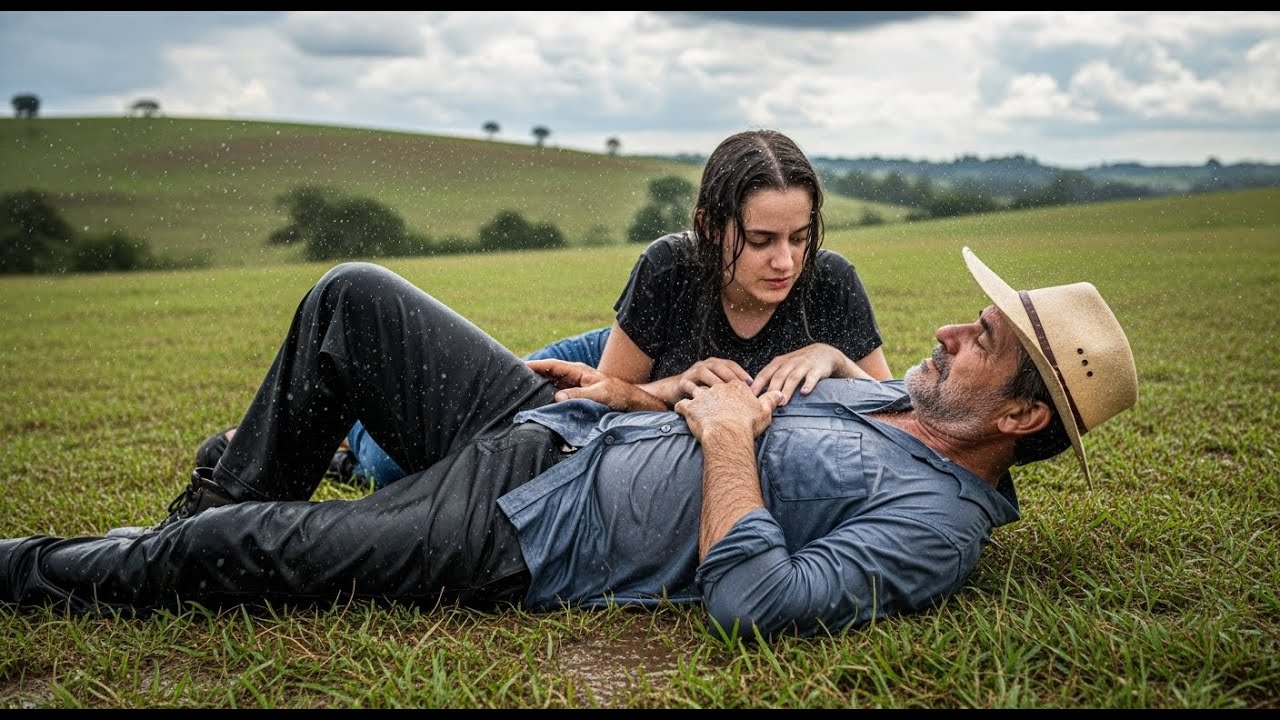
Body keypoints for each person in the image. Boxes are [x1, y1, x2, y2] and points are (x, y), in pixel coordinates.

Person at [0, 247, 1139, 639]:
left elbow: (759, 603)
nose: (950, 331)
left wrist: (730, 438)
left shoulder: (936, 526)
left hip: (526, 529)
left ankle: (43, 568)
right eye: (970, 318)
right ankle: (179, 533)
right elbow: (719, 404)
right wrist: (643, 393)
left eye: (981, 340)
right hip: (555, 426)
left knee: (244, 548)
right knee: (353, 296)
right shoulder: (888, 403)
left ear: (1020, 417)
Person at [186, 128, 888, 492]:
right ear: (710, 226)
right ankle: (352, 439)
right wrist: (674, 388)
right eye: (761, 240)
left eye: (800, 237)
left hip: (643, 381)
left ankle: (347, 455)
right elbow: (603, 407)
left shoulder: (830, 283)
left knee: (455, 453)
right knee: (446, 451)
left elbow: (891, 415)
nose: (785, 261)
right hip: (622, 364)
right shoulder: (670, 267)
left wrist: (832, 357)